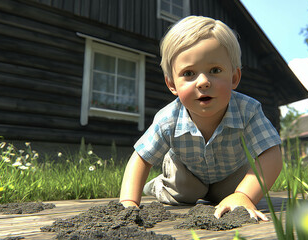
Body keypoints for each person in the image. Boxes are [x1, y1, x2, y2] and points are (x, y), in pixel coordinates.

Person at [119, 15, 282, 221]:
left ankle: (230, 193)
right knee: (186, 192)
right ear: (172, 85)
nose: (203, 82)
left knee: (230, 193)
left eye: (215, 70)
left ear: (234, 78)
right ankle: (159, 185)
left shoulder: (248, 111)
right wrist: (129, 202)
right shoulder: (168, 118)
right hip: (185, 172)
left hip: (229, 173)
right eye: (189, 73)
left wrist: (243, 195)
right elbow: (142, 157)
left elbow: (271, 154)